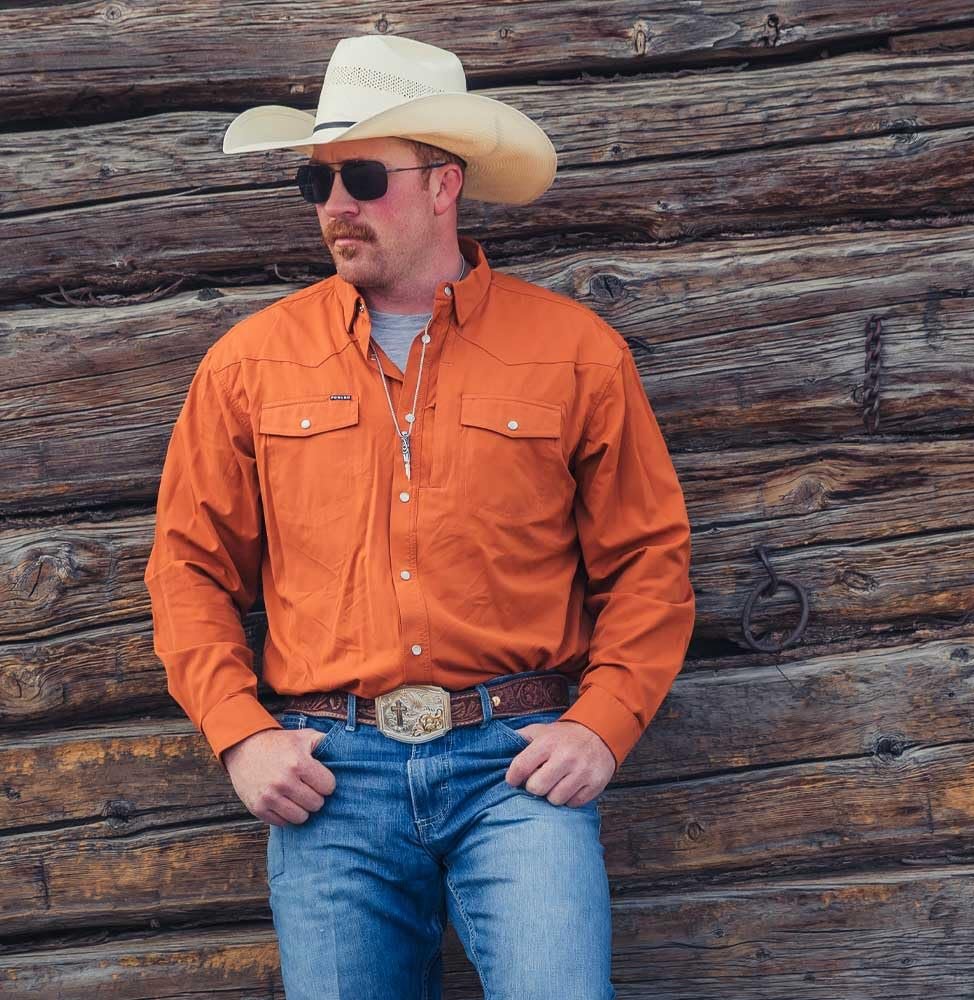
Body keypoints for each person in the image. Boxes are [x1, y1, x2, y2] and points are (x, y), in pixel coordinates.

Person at [144, 33, 695, 1000]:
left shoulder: (574, 352)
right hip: (329, 776)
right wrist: (240, 733)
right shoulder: (249, 365)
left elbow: (648, 558)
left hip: (515, 766)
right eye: (317, 182)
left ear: (445, 185)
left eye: (362, 177)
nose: (336, 206)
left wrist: (602, 725)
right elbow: (188, 567)